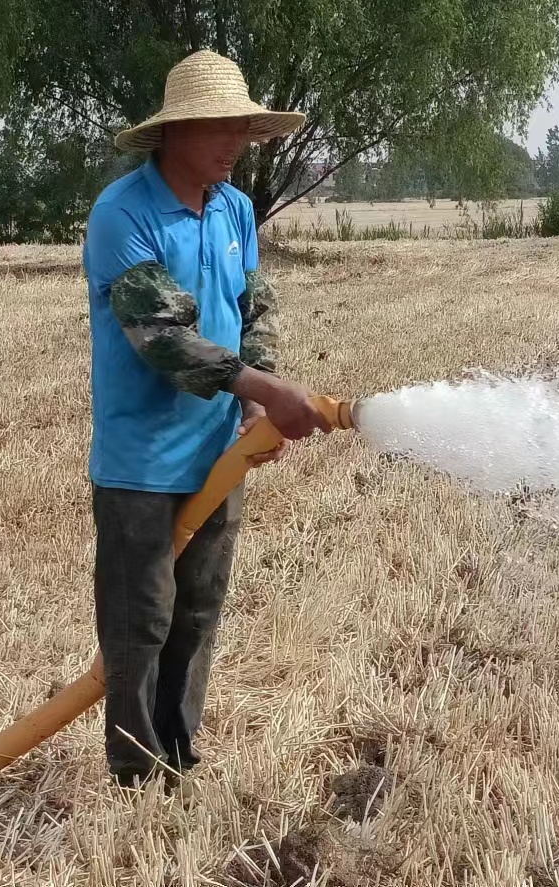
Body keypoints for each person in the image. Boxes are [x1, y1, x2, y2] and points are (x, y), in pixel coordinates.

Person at [83, 50, 334, 787]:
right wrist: (264, 386)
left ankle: (179, 760)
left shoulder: (232, 209)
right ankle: (134, 774)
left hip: (219, 452)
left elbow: (256, 302)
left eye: (244, 128)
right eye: (224, 128)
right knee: (141, 624)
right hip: (142, 463)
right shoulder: (123, 214)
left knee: (197, 615)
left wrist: (257, 400)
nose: (238, 142)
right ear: (176, 132)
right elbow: (163, 338)